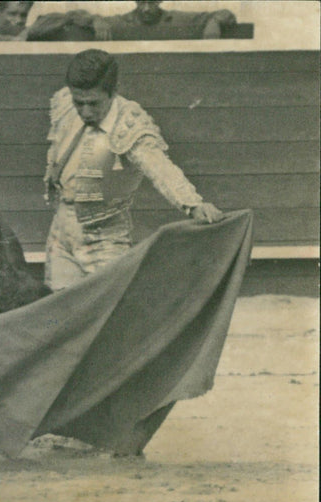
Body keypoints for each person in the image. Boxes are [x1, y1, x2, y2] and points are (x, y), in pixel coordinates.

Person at [43, 49, 223, 290]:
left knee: (109, 309)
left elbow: (159, 167)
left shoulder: (130, 123)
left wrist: (193, 204)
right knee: (59, 308)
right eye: (79, 103)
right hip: (61, 226)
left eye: (94, 103)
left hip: (104, 236)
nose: (85, 112)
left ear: (113, 91)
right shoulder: (65, 104)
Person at [94, 1, 238, 40]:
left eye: (151, 3)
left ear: (159, 1)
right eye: (141, 3)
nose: (146, 9)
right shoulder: (122, 21)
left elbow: (226, 14)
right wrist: (94, 20)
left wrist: (215, 21)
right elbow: (71, 17)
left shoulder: (177, 19)